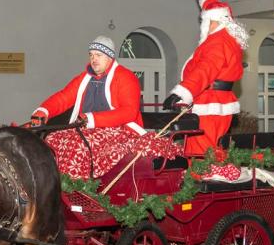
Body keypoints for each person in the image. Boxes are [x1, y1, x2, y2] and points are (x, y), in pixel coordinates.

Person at [29, 36, 176, 178]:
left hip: (120, 130)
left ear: (109, 57)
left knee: (78, 146)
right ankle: (61, 184)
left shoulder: (126, 77)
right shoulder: (84, 78)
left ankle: (82, 186)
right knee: (53, 139)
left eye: (98, 55)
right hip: (88, 129)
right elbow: (64, 97)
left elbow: (129, 112)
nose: (93, 59)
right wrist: (44, 111)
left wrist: (92, 119)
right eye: (91, 55)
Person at [162, 0, 248, 156]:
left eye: (204, 21)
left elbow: (205, 69)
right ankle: (211, 178)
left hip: (210, 102)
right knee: (214, 151)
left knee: (200, 152)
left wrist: (181, 93)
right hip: (218, 101)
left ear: (210, 20)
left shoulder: (217, 41)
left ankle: (200, 181)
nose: (204, 25)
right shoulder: (227, 40)